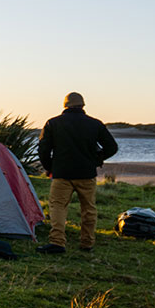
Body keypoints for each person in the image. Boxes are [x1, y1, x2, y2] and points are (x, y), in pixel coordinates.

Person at [36, 92, 119, 254]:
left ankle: (57, 242)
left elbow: (43, 150)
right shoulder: (95, 124)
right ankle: (87, 243)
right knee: (88, 208)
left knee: (58, 207)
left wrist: (50, 167)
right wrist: (96, 160)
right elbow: (112, 147)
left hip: (62, 174)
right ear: (83, 105)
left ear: (65, 105)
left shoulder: (53, 123)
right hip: (86, 174)